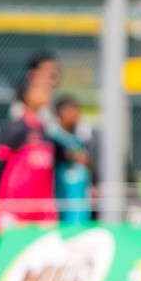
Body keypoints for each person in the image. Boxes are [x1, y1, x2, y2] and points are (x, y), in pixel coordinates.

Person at [0, 60, 59, 233]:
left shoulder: (45, 131)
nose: (46, 92)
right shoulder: (15, 128)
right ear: (27, 95)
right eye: (39, 89)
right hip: (14, 209)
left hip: (40, 211)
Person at [48, 96, 93, 224]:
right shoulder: (53, 137)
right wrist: (72, 156)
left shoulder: (82, 138)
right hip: (62, 193)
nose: (74, 114)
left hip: (81, 195)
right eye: (70, 111)